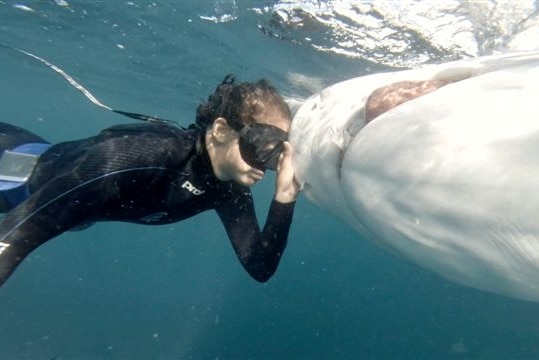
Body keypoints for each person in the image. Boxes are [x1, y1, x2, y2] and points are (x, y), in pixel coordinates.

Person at [0, 75, 300, 287]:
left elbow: (260, 265)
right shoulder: (147, 154)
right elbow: (24, 229)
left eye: (276, 157)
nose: (267, 166)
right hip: (11, 173)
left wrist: (285, 195)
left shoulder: (229, 191)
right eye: (263, 147)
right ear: (221, 130)